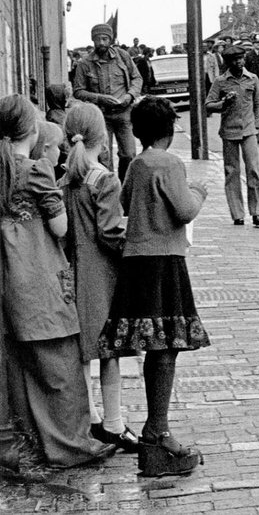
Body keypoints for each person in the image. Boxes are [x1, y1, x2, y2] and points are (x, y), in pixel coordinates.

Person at [0, 94, 114, 473]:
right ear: (31, 130)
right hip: (37, 269)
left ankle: (25, 443)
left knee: (19, 365)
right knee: (59, 360)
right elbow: (61, 228)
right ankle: (69, 443)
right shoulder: (35, 171)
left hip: (6, 271)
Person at [98, 96, 207, 477]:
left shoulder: (136, 164)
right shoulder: (170, 163)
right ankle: (157, 432)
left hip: (136, 262)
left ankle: (155, 433)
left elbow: (127, 202)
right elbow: (185, 210)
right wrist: (199, 193)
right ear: (169, 130)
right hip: (165, 261)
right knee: (166, 349)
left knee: (154, 347)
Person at [62, 103, 138, 453]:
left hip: (69, 273)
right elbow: (110, 233)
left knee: (81, 354)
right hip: (101, 276)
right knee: (110, 351)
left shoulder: (65, 179)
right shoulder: (104, 179)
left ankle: (90, 417)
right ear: (101, 137)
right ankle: (114, 422)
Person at [204, 45, 259, 227]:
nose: (238, 62)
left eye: (240, 59)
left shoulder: (252, 79)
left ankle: (258, 212)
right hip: (229, 131)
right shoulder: (221, 81)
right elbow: (208, 104)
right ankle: (237, 213)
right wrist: (223, 103)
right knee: (232, 172)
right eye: (234, 60)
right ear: (228, 62)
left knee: (254, 169)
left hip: (249, 130)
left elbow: (258, 104)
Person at [71, 23, 143, 181]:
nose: (101, 43)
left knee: (129, 154)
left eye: (105, 39)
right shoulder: (85, 63)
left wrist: (129, 96)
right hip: (100, 116)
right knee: (104, 157)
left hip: (124, 114)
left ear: (111, 40)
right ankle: (108, 188)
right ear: (92, 40)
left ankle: (124, 188)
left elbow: (137, 78)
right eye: (98, 39)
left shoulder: (123, 56)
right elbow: (77, 91)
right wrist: (99, 98)